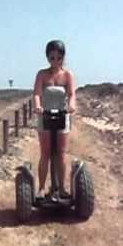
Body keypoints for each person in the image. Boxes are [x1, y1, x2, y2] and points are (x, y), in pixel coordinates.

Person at [33, 40, 76, 200]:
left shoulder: (67, 75)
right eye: (52, 57)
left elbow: (72, 94)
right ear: (48, 57)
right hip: (45, 117)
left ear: (63, 57)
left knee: (61, 154)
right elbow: (37, 93)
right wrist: (38, 106)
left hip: (62, 117)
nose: (56, 61)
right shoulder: (42, 74)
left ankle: (61, 188)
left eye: (59, 57)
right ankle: (42, 188)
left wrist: (71, 106)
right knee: (45, 153)